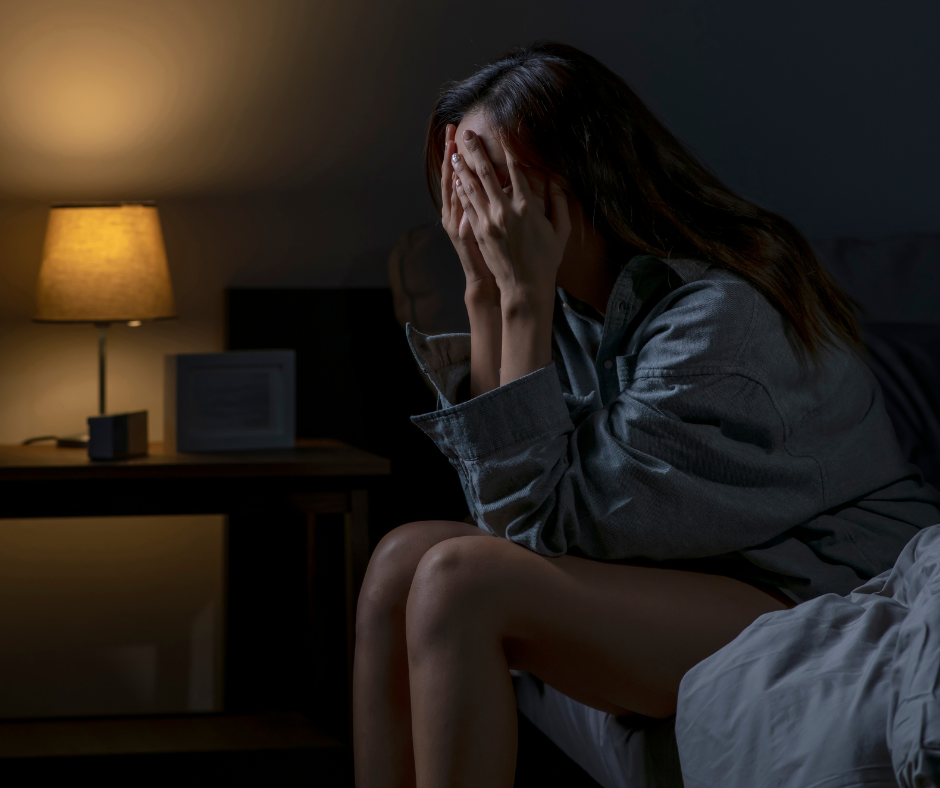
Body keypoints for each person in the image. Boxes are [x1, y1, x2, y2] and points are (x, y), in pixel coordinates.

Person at [353, 40, 940, 788]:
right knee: (400, 560)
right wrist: (485, 290)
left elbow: (539, 528)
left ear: (580, 176)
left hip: (812, 578)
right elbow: (512, 506)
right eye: (461, 179)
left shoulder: (718, 319)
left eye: (495, 179)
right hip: (709, 570)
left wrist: (520, 297)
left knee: (462, 579)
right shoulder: (575, 303)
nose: (475, 205)